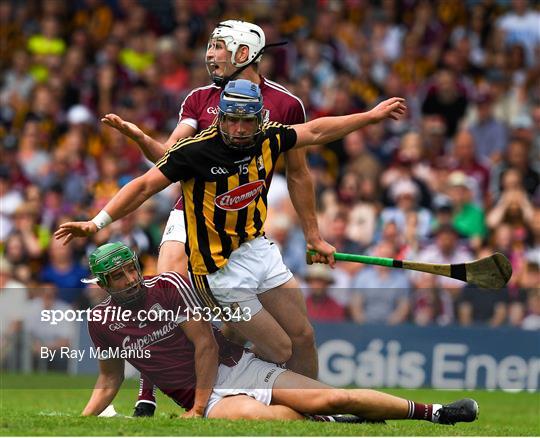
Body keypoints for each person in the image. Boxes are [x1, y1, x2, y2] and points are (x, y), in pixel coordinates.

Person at [55, 78, 406, 407]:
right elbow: (145, 185)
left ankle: (315, 412)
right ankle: (235, 377)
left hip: (258, 249)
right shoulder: (196, 151)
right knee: (281, 348)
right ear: (221, 116)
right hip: (218, 269)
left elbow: (315, 130)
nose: (239, 129)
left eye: (247, 121)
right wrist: (97, 221)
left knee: (303, 337)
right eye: (231, 120)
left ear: (259, 119)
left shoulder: (269, 137)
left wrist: (371, 116)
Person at [101, 21, 335, 414]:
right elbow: (167, 157)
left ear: (244, 53)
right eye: (209, 47)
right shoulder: (198, 99)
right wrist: (140, 137)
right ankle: (148, 388)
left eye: (218, 47)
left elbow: (298, 173)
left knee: (274, 334)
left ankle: (305, 401)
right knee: (169, 279)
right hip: (190, 211)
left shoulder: (286, 104)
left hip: (244, 226)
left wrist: (313, 234)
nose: (209, 55)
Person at [82, 242, 479, 426]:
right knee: (268, 421)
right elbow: (110, 377)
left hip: (236, 369)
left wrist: (198, 410)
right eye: (119, 276)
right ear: (104, 282)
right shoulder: (101, 321)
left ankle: (436, 413)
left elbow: (204, 345)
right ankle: (331, 422)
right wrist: (83, 421)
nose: (131, 279)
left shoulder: (166, 286)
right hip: (208, 395)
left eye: (132, 268)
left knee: (333, 396)